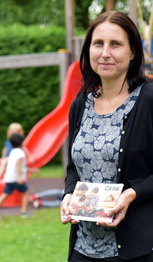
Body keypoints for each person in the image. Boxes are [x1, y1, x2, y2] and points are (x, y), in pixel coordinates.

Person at [60, 11, 153, 261]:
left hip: (137, 250)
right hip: (83, 248)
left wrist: (131, 194)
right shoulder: (80, 103)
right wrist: (69, 194)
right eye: (98, 43)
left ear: (133, 52)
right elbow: (73, 168)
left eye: (116, 44)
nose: (105, 53)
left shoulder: (148, 100)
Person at [0, 133, 32, 221]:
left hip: (8, 178)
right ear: (22, 142)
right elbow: (18, 166)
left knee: (4, 195)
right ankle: (24, 212)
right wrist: (19, 178)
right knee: (27, 192)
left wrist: (31, 170)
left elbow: (19, 166)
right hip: (15, 178)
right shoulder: (20, 153)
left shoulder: (12, 152)